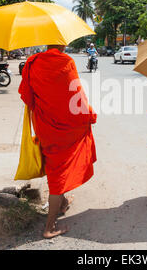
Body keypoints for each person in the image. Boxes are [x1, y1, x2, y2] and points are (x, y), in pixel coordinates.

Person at [18, 45, 97, 238]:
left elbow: (27, 96)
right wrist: (89, 114)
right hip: (67, 128)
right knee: (58, 177)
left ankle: (62, 204)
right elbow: (76, 95)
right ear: (61, 43)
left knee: (55, 167)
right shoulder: (66, 62)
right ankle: (50, 228)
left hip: (46, 126)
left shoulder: (32, 62)